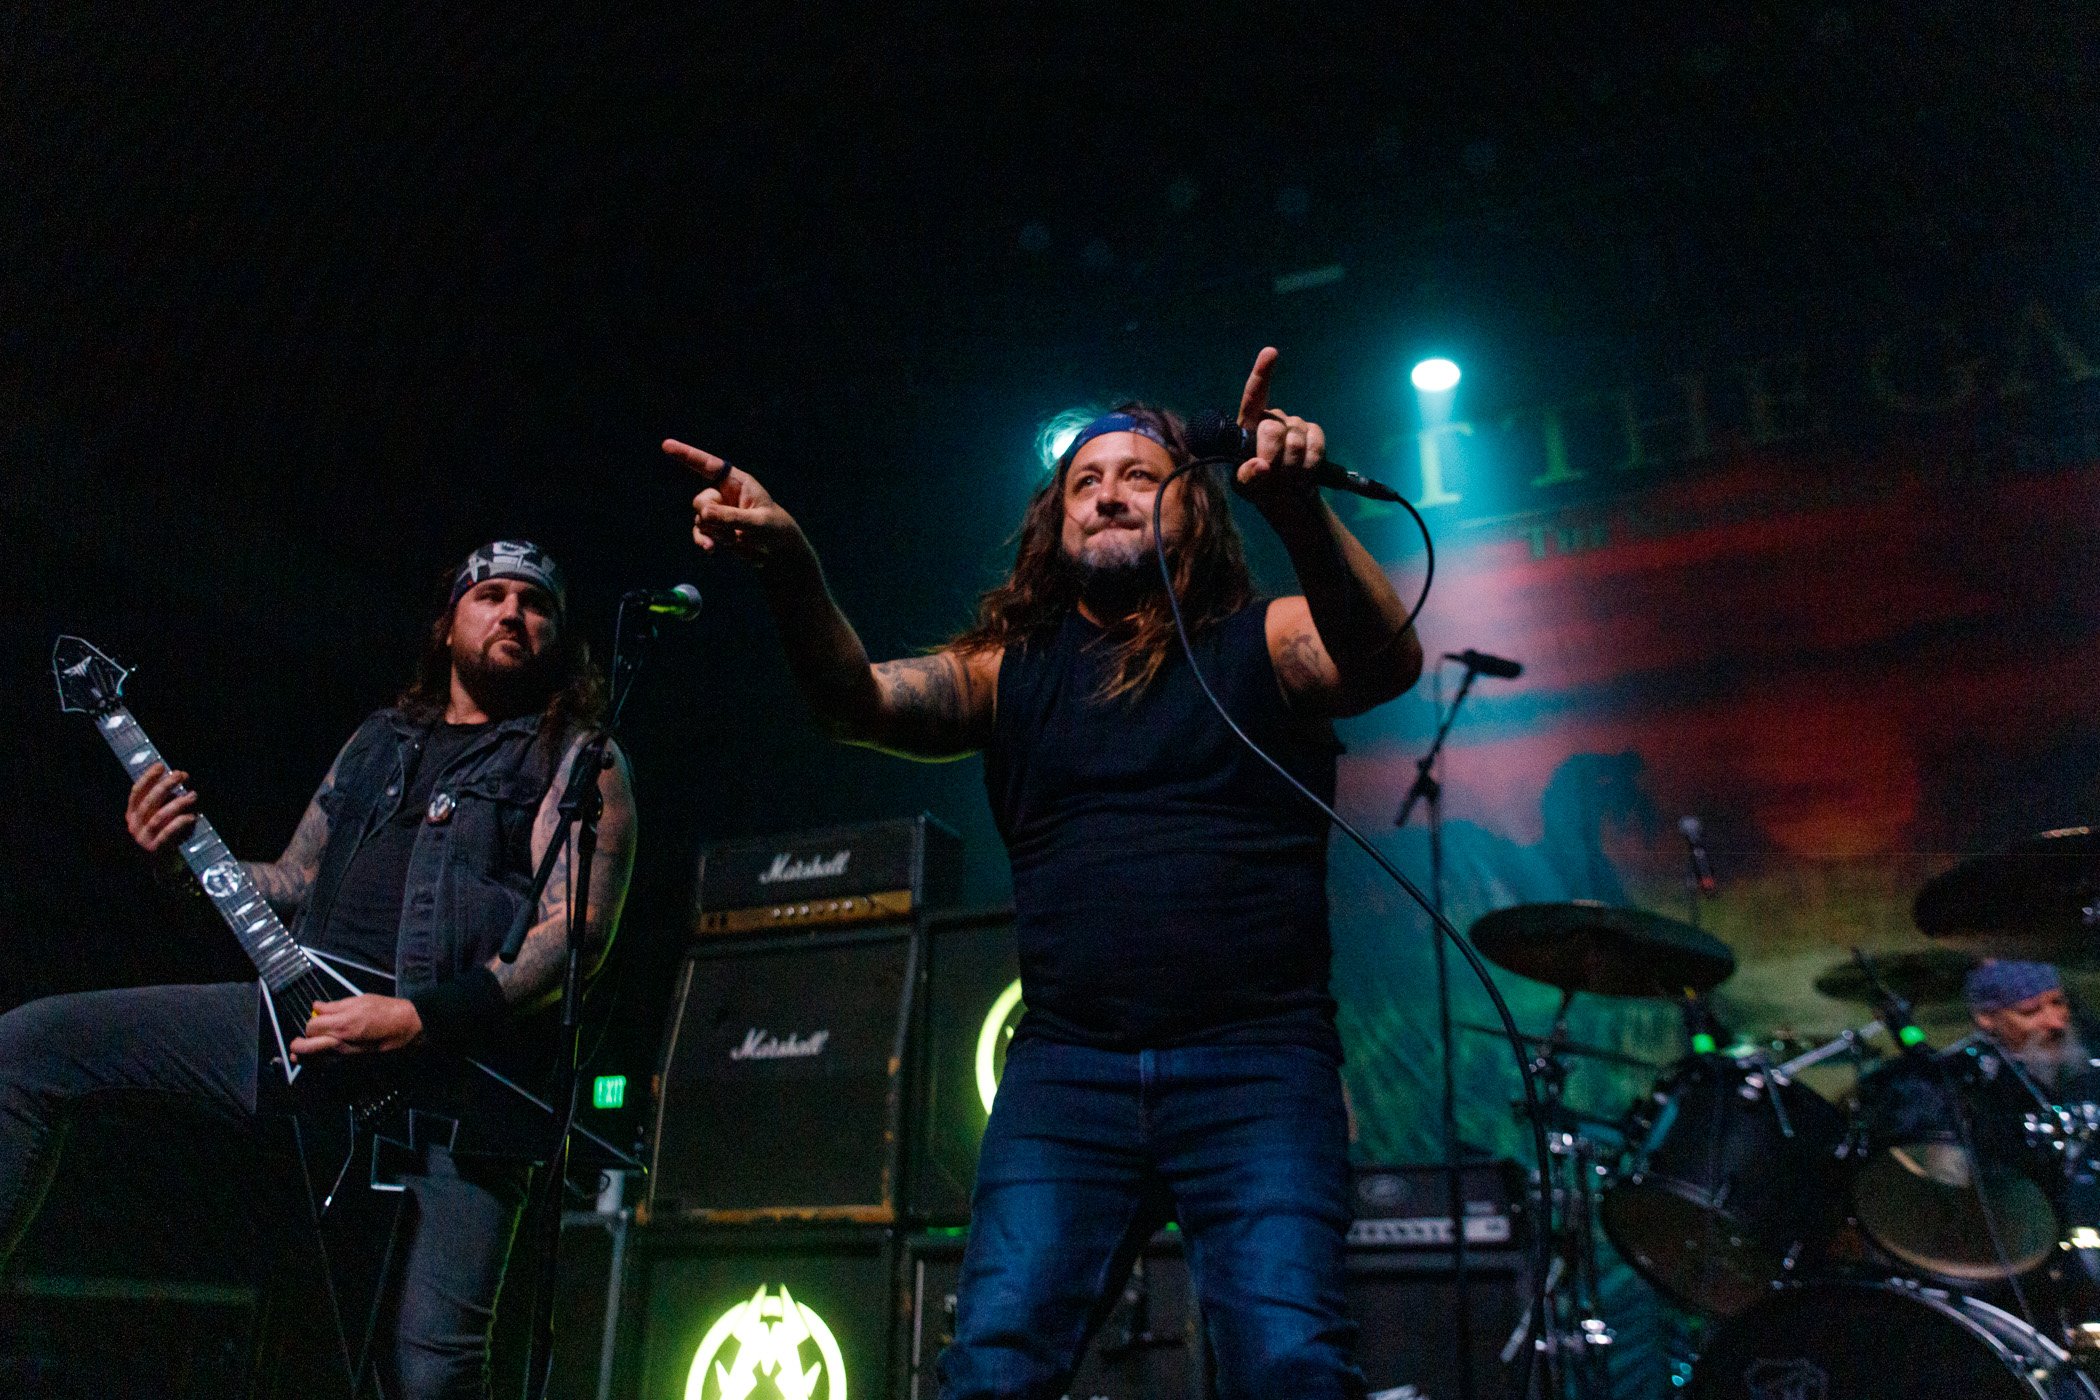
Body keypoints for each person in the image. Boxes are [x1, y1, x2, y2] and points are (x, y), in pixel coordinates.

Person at [663, 348, 1422, 1400]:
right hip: (1069, 1072)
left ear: (1197, 510)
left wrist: (1298, 511)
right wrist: (793, 569)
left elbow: (1385, 661)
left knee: (1291, 1363)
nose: (1107, 492)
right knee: (993, 1367)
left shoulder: (1264, 636)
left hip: (1258, 1064)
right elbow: (855, 702)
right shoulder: (1009, 670)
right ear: (1055, 523)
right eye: (1083, 482)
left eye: (1140, 476)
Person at [0, 540, 637, 1400]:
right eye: (491, 595)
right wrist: (176, 861)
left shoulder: (581, 758)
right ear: (448, 625)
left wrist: (420, 1019)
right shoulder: (379, 741)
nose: (513, 613)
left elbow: (577, 933)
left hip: (458, 1074)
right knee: (31, 1046)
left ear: (559, 636)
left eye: (537, 603)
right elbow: (293, 880)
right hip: (301, 1014)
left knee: (432, 1370)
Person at [1965, 959, 2092, 1090]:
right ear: (1986, 1018)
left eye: (2058, 1002)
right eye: (2030, 1011)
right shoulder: (1969, 1087)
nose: (2056, 1024)